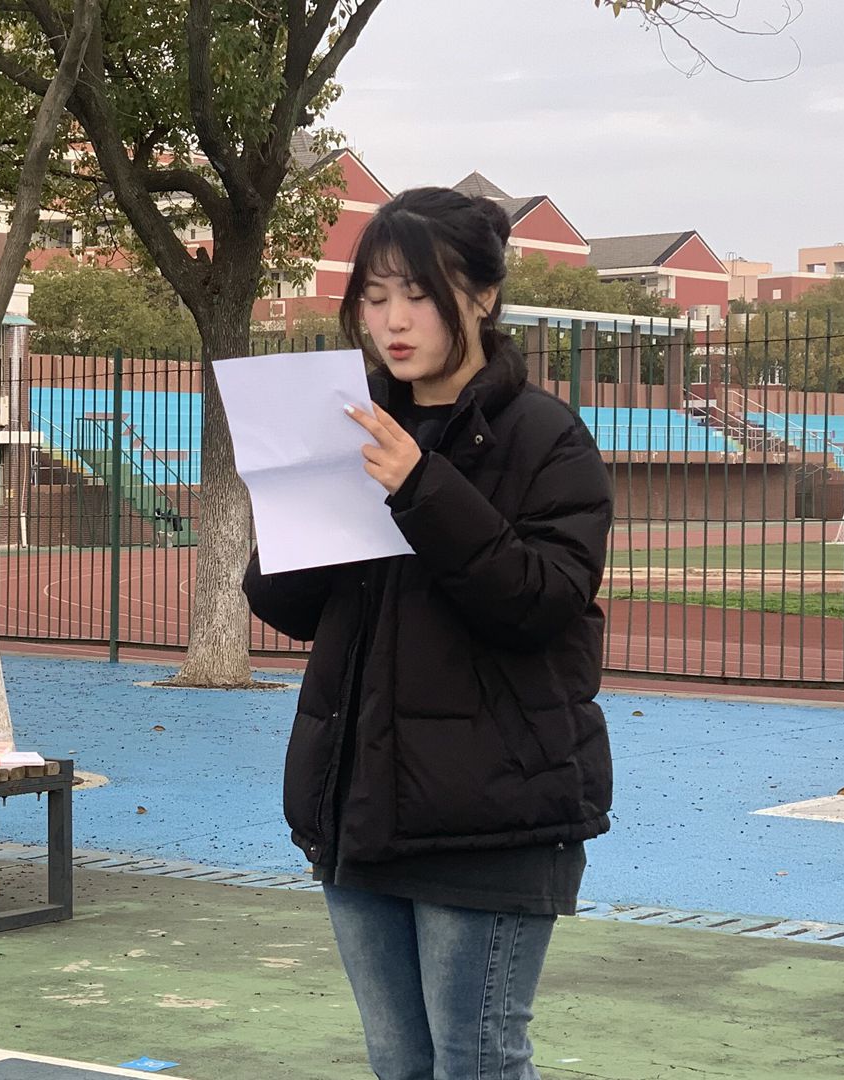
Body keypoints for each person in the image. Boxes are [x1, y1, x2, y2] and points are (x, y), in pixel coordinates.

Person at [243, 186, 614, 1080]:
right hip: (360, 809)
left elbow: (542, 602)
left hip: (490, 818)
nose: (393, 321)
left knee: (477, 1063)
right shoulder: (355, 427)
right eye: (374, 297)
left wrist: (422, 489)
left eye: (418, 294)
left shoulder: (546, 438)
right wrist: (294, 511)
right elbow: (291, 610)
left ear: (483, 296)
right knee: (398, 1065)